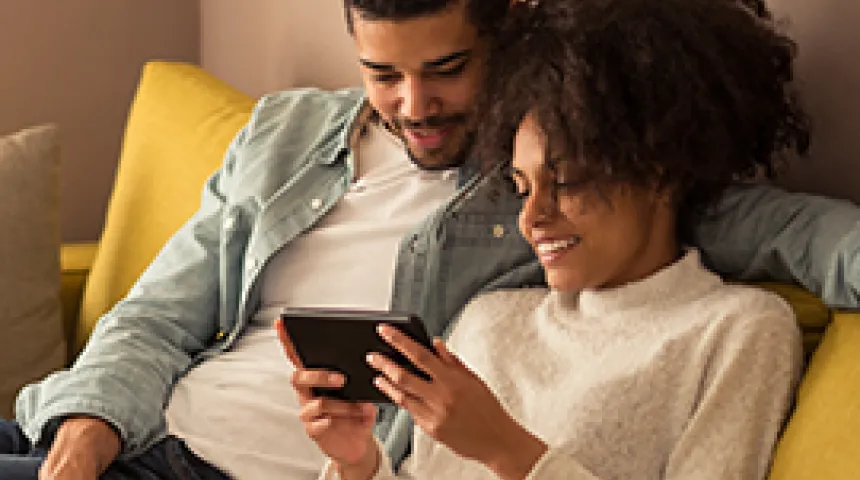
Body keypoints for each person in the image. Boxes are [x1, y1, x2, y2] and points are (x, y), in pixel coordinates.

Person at [0, 0, 856, 479]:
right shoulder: (286, 134)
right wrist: (86, 431)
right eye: (382, 74)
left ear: (506, 34)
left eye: (446, 70)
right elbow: (157, 313)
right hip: (128, 433)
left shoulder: (581, 167)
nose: (413, 105)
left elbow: (792, 231)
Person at [287, 0, 810, 478]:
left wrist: (506, 449)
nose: (531, 217)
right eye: (521, 187)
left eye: (566, 182)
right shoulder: (489, 322)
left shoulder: (736, 330)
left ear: (661, 173)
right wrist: (356, 463)